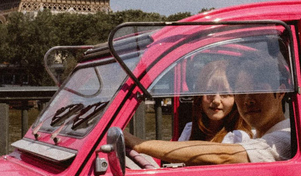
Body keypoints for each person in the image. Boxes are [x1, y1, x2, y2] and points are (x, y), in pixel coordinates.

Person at [124, 55, 292, 165]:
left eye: (257, 90)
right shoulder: (257, 135)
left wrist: (139, 144)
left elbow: (223, 155)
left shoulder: (286, 137)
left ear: (282, 91)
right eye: (241, 91)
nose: (248, 99)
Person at [177, 60, 252, 143]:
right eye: (209, 92)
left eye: (225, 94)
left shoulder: (239, 137)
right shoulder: (189, 130)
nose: (216, 100)